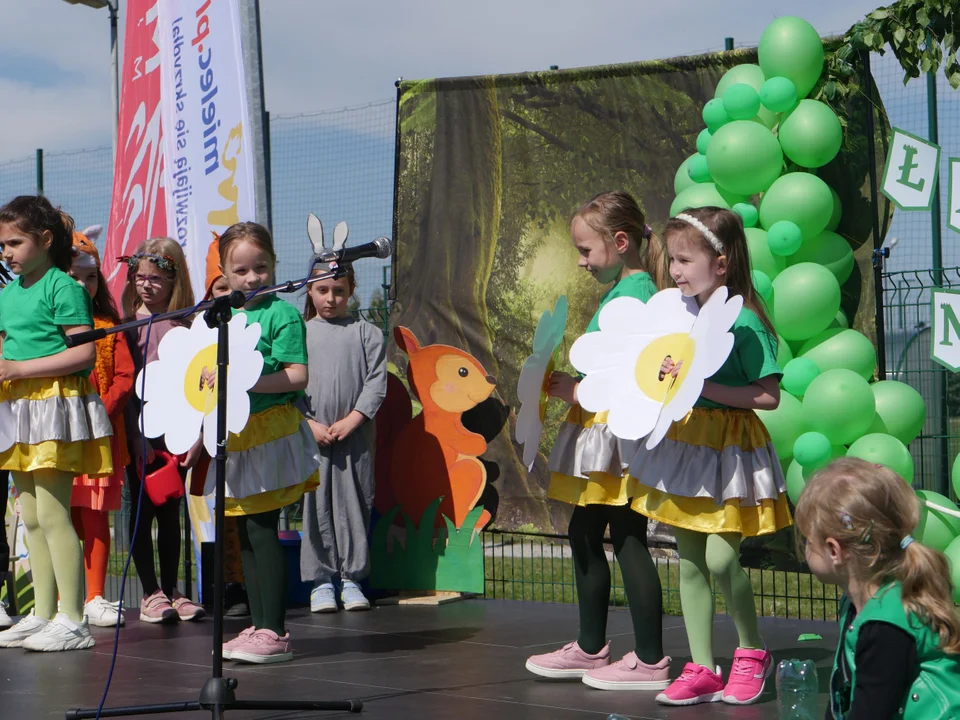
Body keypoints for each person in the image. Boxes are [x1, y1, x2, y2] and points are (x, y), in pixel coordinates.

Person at [627, 206, 792, 705]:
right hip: (688, 445)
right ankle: (701, 665)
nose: (674, 270)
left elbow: (769, 395)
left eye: (684, 260)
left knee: (722, 557)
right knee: (689, 558)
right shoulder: (678, 316)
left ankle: (751, 653)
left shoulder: (745, 321)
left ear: (720, 264)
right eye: (672, 260)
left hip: (731, 449)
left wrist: (707, 386)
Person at [526, 191, 671, 691]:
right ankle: (591, 647)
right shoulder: (624, 292)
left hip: (616, 432)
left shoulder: (634, 294)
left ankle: (649, 658)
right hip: (603, 428)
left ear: (621, 241)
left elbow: (635, 372)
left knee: (626, 536)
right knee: (587, 533)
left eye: (587, 251)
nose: (582, 262)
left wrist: (578, 387)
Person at [0, 196, 113, 651]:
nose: (5, 251)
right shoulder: (9, 292)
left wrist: (19, 370)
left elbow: (83, 353)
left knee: (52, 512)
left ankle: (74, 618)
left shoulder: (63, 287)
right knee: (30, 516)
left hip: (53, 405)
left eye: (14, 242)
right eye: (2, 244)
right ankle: (42, 613)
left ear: (45, 241)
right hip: (19, 409)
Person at [211, 222, 320, 664]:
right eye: (241, 270)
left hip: (271, 432)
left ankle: (274, 630)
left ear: (274, 265)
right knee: (244, 530)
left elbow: (297, 374)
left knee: (262, 527)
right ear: (224, 273)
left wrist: (248, 380)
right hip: (238, 434)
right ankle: (260, 624)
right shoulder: (226, 315)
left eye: (261, 267)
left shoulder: (281, 314)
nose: (252, 277)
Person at [795, 458, 960, 720]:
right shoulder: (857, 604)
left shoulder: (885, 628)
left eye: (807, 540)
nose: (804, 548)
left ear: (834, 551)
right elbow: (846, 692)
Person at [121, 237, 205, 623]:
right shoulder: (127, 326)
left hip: (176, 431)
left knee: (171, 512)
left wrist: (197, 435)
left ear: (174, 282)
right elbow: (126, 386)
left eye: (156, 278)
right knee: (142, 511)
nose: (146, 285)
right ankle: (150, 592)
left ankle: (172, 589)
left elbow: (200, 388)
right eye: (140, 277)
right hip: (139, 432)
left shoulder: (187, 324)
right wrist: (134, 436)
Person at [300, 262, 386, 613]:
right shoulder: (300, 333)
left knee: (355, 503)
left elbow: (376, 383)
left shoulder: (368, 333)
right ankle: (321, 582)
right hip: (312, 440)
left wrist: (353, 420)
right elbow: (289, 386)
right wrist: (309, 425)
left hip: (355, 439)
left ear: (351, 290)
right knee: (314, 505)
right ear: (309, 290)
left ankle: (351, 579)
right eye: (323, 290)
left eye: (339, 290)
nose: (331, 298)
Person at [68, 230, 134, 628]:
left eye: (90, 278)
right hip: (60, 440)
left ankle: (94, 595)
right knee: (64, 521)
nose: (83, 285)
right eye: (75, 276)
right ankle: (64, 598)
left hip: (100, 441)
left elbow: (125, 377)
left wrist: (98, 410)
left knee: (94, 520)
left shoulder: (110, 325)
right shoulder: (52, 327)